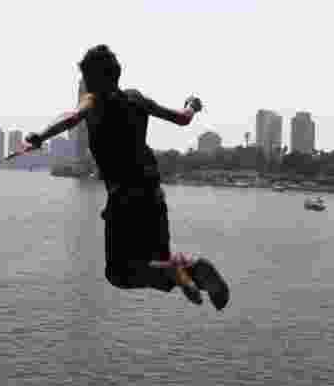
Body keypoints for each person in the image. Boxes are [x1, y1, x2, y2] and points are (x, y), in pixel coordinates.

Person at [13, 44, 230, 310]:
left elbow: (72, 117)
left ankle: (180, 271)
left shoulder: (94, 100)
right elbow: (183, 119)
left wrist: (39, 136)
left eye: (87, 80)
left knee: (119, 273)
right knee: (158, 263)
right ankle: (190, 269)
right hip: (153, 195)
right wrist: (191, 106)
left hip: (125, 199)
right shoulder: (136, 98)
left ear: (93, 79)